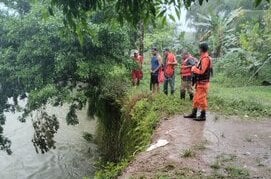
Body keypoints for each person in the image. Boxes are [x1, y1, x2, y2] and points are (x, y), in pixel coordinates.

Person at [184, 43, 213, 121]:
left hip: (203, 83)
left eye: (199, 48)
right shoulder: (204, 58)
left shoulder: (205, 58)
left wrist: (194, 69)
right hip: (200, 82)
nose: (198, 50)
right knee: (196, 99)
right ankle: (194, 113)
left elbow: (202, 71)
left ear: (201, 49)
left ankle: (203, 115)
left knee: (202, 99)